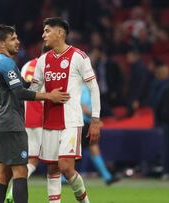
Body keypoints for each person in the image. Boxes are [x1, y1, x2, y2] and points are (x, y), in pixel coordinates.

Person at [0, 25, 70, 203]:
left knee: (2, 173)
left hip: (1, 122)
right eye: (13, 39)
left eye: (17, 38)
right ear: (2, 43)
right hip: (11, 123)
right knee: (21, 171)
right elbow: (20, 93)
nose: (18, 42)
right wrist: (50, 96)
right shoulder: (6, 63)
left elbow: (17, 88)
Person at [30, 17, 101, 203]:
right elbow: (33, 92)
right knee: (52, 168)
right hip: (49, 122)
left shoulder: (79, 57)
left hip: (71, 121)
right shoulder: (42, 60)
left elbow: (94, 88)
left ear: (60, 33)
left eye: (47, 31)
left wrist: (95, 120)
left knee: (66, 167)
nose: (43, 35)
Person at [5, 45, 52, 203]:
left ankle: (12, 190)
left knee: (30, 159)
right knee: (37, 160)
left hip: (25, 117)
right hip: (41, 119)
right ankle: (13, 191)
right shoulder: (48, 68)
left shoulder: (26, 66)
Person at [80, 84, 119, 185]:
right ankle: (107, 176)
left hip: (85, 123)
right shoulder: (83, 88)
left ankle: (107, 177)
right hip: (83, 123)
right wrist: (95, 118)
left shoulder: (86, 88)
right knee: (86, 149)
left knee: (92, 148)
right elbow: (83, 108)